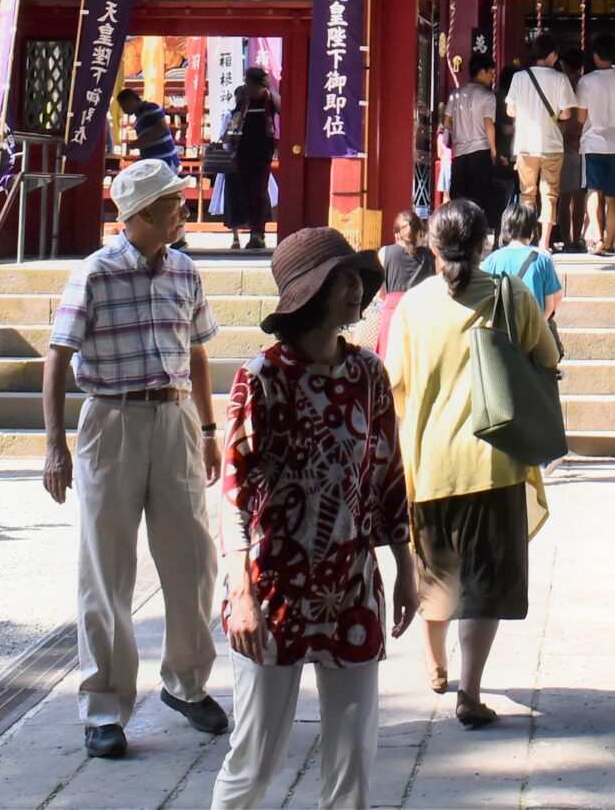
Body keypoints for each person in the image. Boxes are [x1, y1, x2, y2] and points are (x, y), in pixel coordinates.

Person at [212, 228, 418, 810]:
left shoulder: (369, 375)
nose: (358, 289)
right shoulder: (263, 378)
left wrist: (403, 564)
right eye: (343, 279)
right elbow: (234, 492)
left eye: (358, 276)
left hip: (350, 586)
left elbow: (387, 477)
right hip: (273, 586)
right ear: (311, 294)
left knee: (354, 762)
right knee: (256, 760)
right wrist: (241, 591)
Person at [43, 158, 230, 757]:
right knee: (107, 568)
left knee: (194, 560)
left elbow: (198, 353)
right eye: (174, 202)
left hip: (174, 416)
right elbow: (56, 359)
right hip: (111, 418)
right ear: (142, 214)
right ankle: (104, 705)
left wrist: (207, 427)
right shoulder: (94, 275)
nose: (183, 209)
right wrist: (54, 446)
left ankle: (186, 681)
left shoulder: (185, 272)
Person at [384, 198, 560, 729]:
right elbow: (546, 359)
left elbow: (393, 379)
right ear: (485, 244)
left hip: (430, 460)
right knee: (484, 580)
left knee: (437, 572)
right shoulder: (512, 295)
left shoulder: (413, 306)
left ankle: (435, 664)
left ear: (432, 246)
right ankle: (470, 689)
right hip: (494, 461)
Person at [502, 37, 578, 253]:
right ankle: (545, 242)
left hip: (525, 144)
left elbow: (511, 111)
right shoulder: (560, 79)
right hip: (552, 144)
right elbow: (566, 113)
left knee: (527, 193)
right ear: (552, 55)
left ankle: (526, 239)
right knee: (549, 194)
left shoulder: (519, 77)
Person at [575, 33, 615, 256]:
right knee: (613, 196)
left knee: (594, 191)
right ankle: (611, 242)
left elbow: (581, 118)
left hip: (592, 143)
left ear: (595, 55)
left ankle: (597, 238)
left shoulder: (586, 81)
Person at [442, 53, 503, 237]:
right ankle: (476, 234)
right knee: (479, 196)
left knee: (460, 196)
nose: (492, 77)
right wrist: (494, 151)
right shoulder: (487, 96)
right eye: (491, 73)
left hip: (459, 154)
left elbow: (446, 122)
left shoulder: (456, 94)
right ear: (482, 72)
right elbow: (488, 124)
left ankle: (460, 233)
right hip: (480, 151)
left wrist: (460, 131)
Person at [479, 202, 564, 332]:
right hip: (535, 332)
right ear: (532, 231)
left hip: (502, 333)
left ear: (505, 230)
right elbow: (553, 302)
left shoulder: (491, 260)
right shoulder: (542, 260)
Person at [227, 66, 281, 253]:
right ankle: (254, 230)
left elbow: (283, 109)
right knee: (248, 193)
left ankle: (258, 233)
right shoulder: (244, 101)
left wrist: (271, 87)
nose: (246, 85)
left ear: (254, 83)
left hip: (262, 153)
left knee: (258, 191)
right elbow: (234, 121)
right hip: (243, 152)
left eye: (248, 81)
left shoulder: (268, 100)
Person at [370, 206, 433, 361]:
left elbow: (381, 293)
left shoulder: (385, 253)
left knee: (389, 365)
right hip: (419, 316)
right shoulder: (430, 256)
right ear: (420, 233)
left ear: (397, 234)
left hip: (392, 315)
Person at [116, 87, 181, 171]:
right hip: (154, 163)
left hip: (165, 161)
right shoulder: (138, 118)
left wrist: (138, 143)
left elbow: (162, 128)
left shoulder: (150, 108)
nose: (123, 110)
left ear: (131, 100)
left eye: (123, 106)